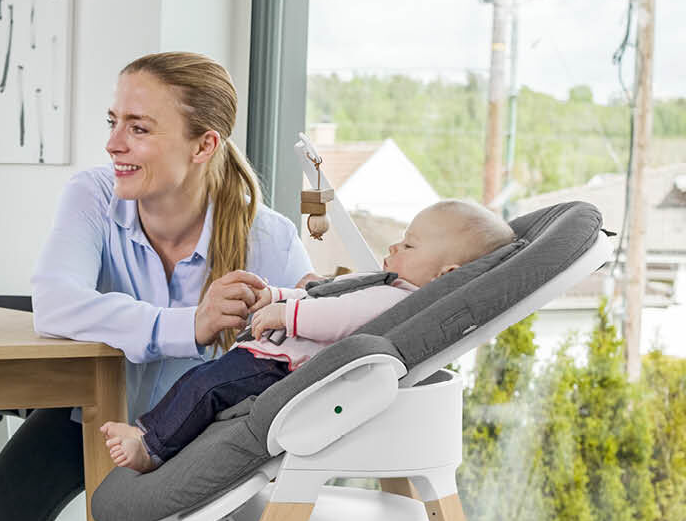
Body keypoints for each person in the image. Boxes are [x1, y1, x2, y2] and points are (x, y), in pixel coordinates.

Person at [0, 51, 315, 521]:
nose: (114, 143)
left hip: (186, 442)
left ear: (205, 143)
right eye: (114, 120)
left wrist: (286, 315)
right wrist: (190, 324)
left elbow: (305, 351)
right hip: (90, 414)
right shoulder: (95, 195)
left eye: (139, 128)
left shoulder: (267, 239)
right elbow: (57, 301)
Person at [100, 199, 516, 473]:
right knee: (199, 383)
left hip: (279, 369)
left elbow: (337, 316)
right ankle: (150, 434)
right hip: (269, 358)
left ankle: (151, 447)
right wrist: (277, 294)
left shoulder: (395, 301)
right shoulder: (389, 284)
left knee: (206, 387)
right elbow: (326, 292)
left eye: (409, 245)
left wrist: (287, 313)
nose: (394, 246)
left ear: (447, 274)